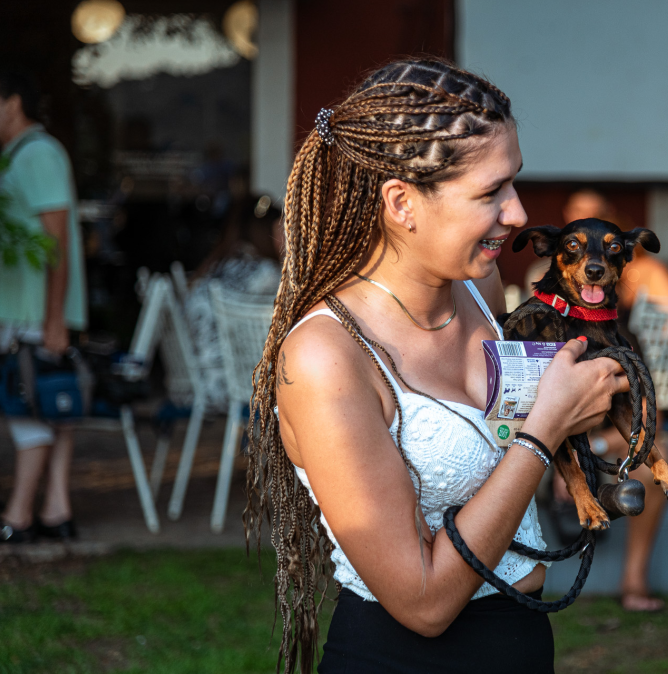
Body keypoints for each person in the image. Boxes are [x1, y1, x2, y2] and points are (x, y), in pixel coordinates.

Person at [246, 59, 628, 673]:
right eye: (490, 192)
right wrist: (545, 430)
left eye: (514, 183)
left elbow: (502, 449)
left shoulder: (482, 291)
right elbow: (422, 603)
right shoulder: (327, 356)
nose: (518, 213)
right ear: (402, 203)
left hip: (523, 644)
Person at [531, 189, 668, 612]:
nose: (590, 264)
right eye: (576, 244)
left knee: (658, 466)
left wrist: (589, 454)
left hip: (598, 451)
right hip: (536, 448)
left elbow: (652, 421)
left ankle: (634, 583)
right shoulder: (540, 316)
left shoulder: (621, 339)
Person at [0, 70, 87, 543]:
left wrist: (54, 318)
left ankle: (18, 516)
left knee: (28, 405)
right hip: (29, 310)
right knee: (50, 404)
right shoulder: (20, 156)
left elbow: (55, 241)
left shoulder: (37, 154)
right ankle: (57, 510)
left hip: (32, 312)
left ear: (12, 102)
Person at [183, 192, 282, 413]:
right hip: (232, 389)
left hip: (196, 383)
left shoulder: (216, 268)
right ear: (268, 233)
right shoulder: (267, 275)